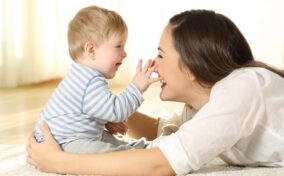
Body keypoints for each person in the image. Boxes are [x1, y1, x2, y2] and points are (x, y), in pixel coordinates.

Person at [27, 9, 284, 176]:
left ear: (192, 66)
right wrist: (97, 112)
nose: (154, 63)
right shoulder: (202, 107)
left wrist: (58, 161)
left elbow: (160, 164)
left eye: (161, 54)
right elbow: (164, 131)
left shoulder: (242, 89)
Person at [34, 5, 160, 154]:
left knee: (111, 142)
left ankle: (142, 148)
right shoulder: (90, 81)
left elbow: (83, 111)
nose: (124, 54)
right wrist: (137, 87)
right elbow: (116, 111)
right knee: (110, 154)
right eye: (119, 46)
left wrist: (104, 120)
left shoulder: (80, 75)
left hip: (65, 137)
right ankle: (142, 153)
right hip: (63, 142)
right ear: (91, 50)